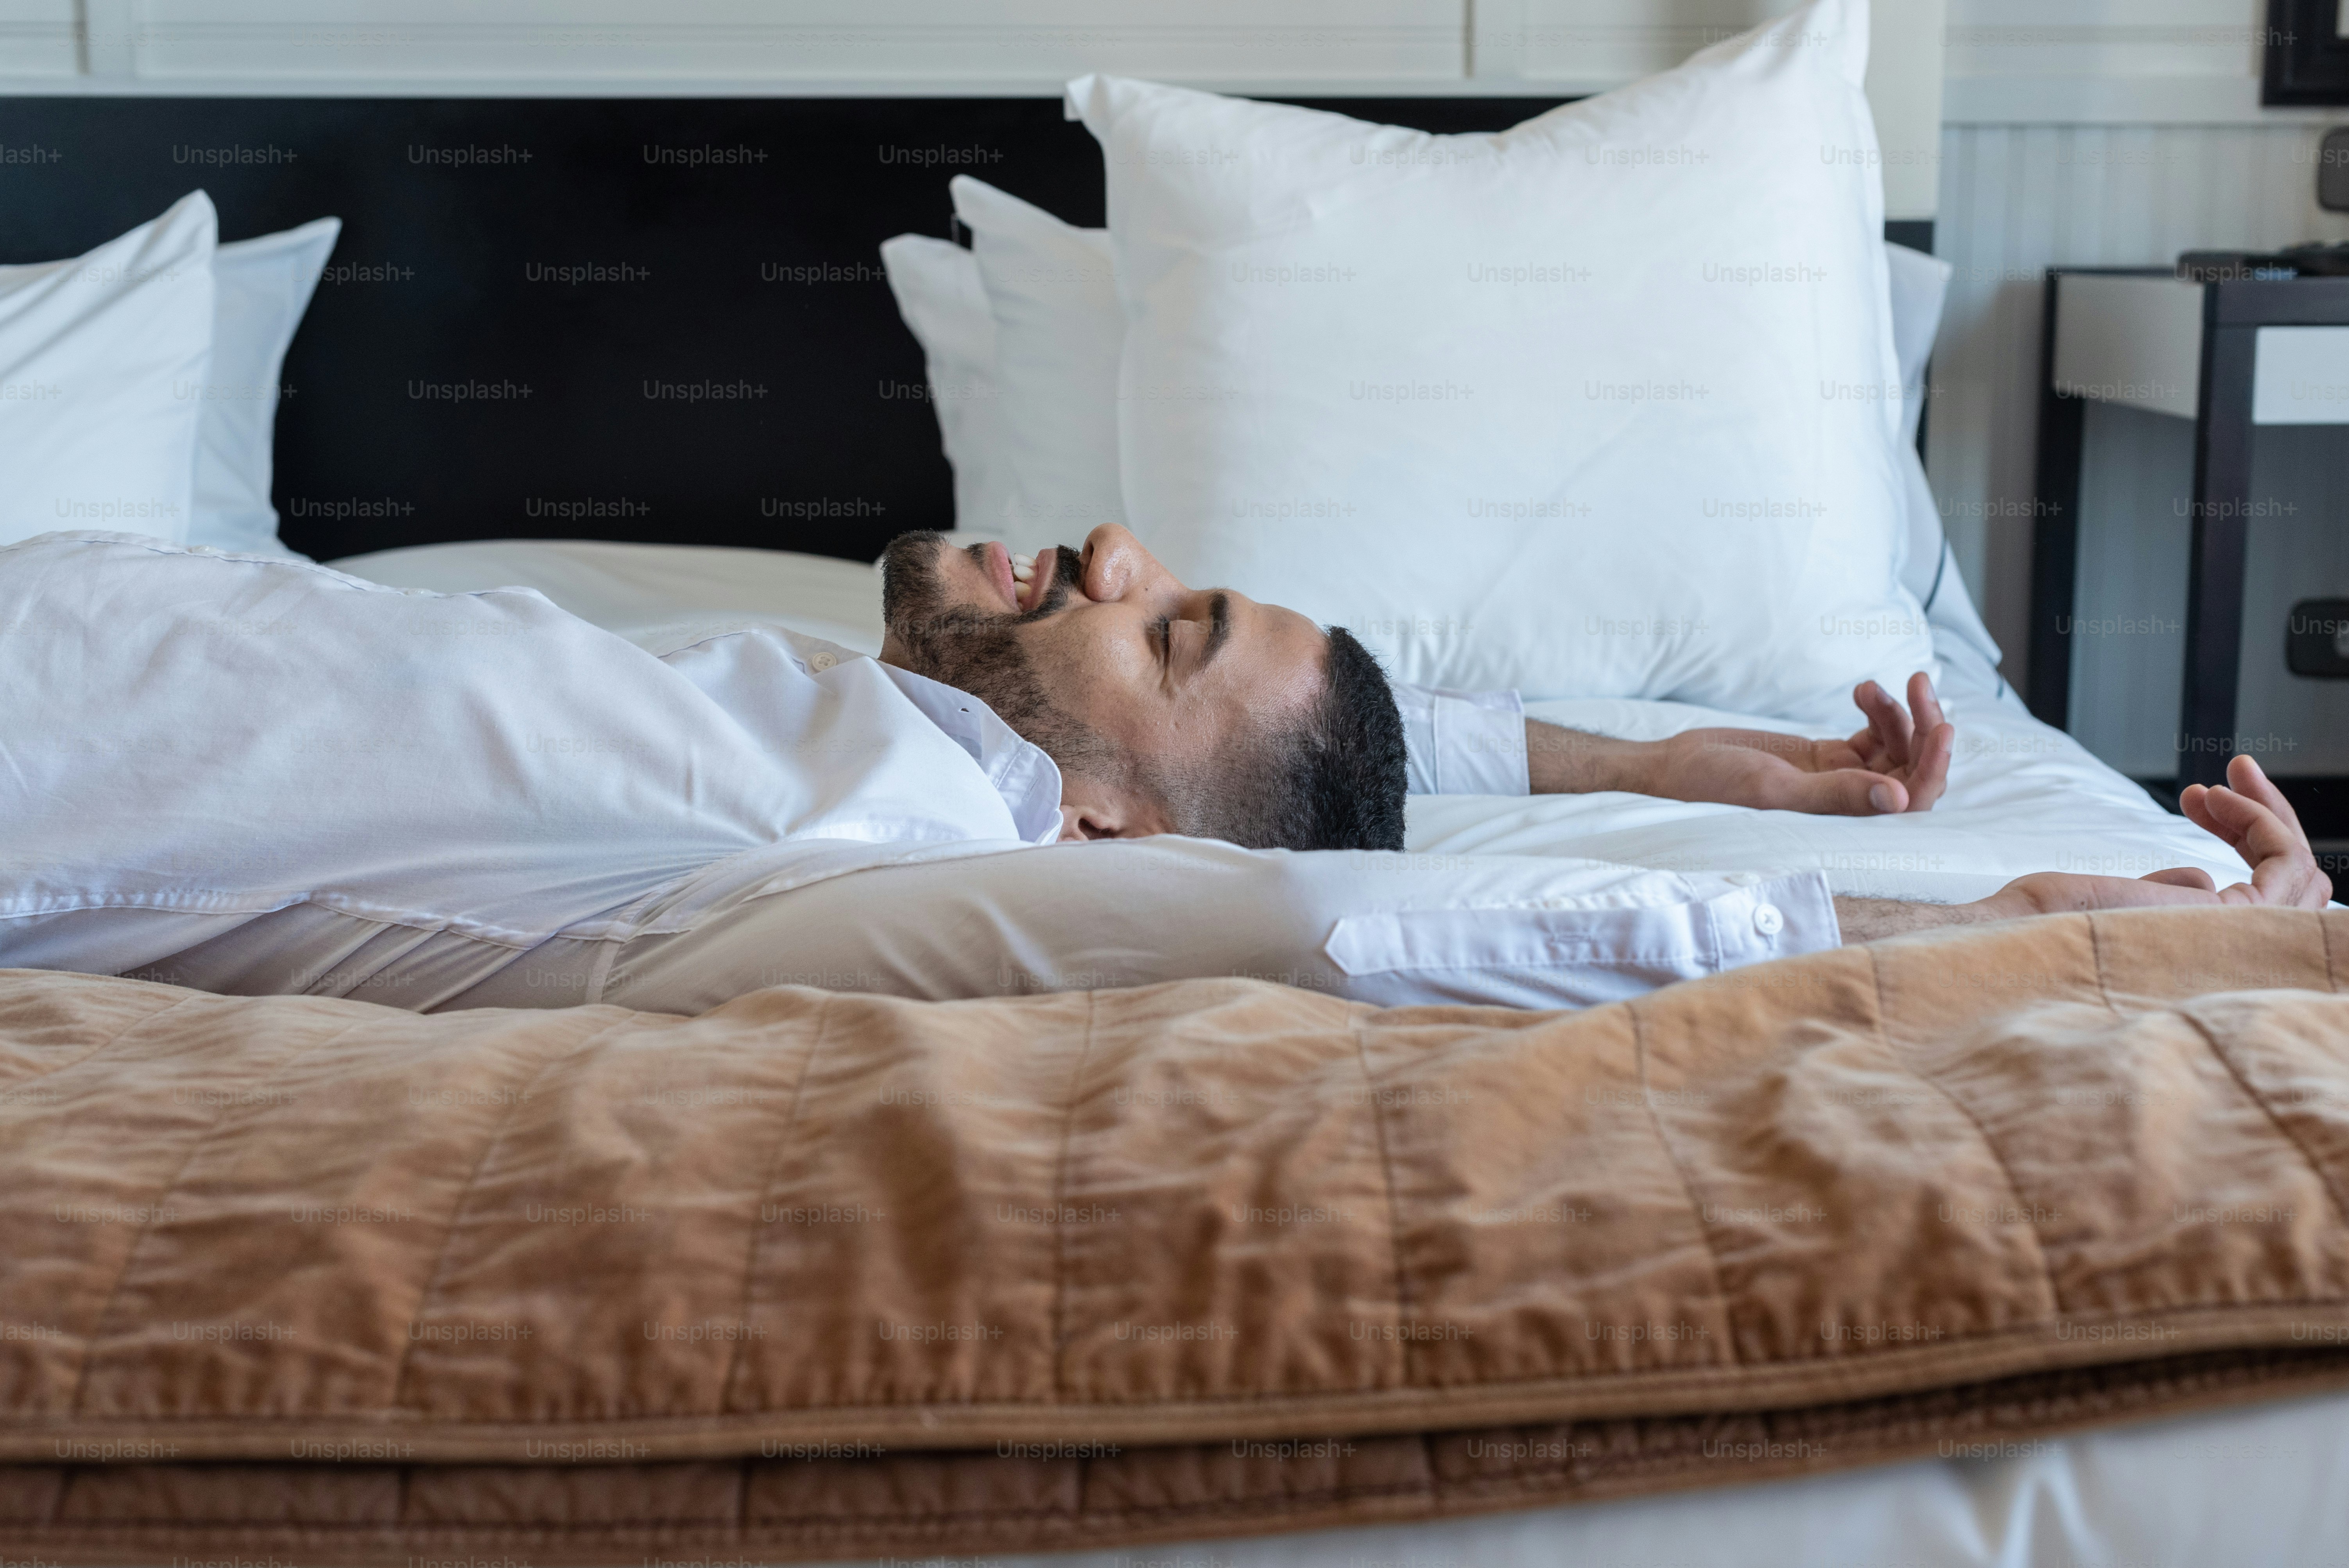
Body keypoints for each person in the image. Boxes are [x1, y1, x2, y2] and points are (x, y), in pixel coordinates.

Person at [0, 528, 2325, 1017]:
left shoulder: (888, 834)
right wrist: (1741, 771)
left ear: (1102, 810)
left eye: (1167, 618)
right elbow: (1384, 781)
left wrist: (2021, 927)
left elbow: (1343, 909)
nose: (1117, 549)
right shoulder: (873, 730)